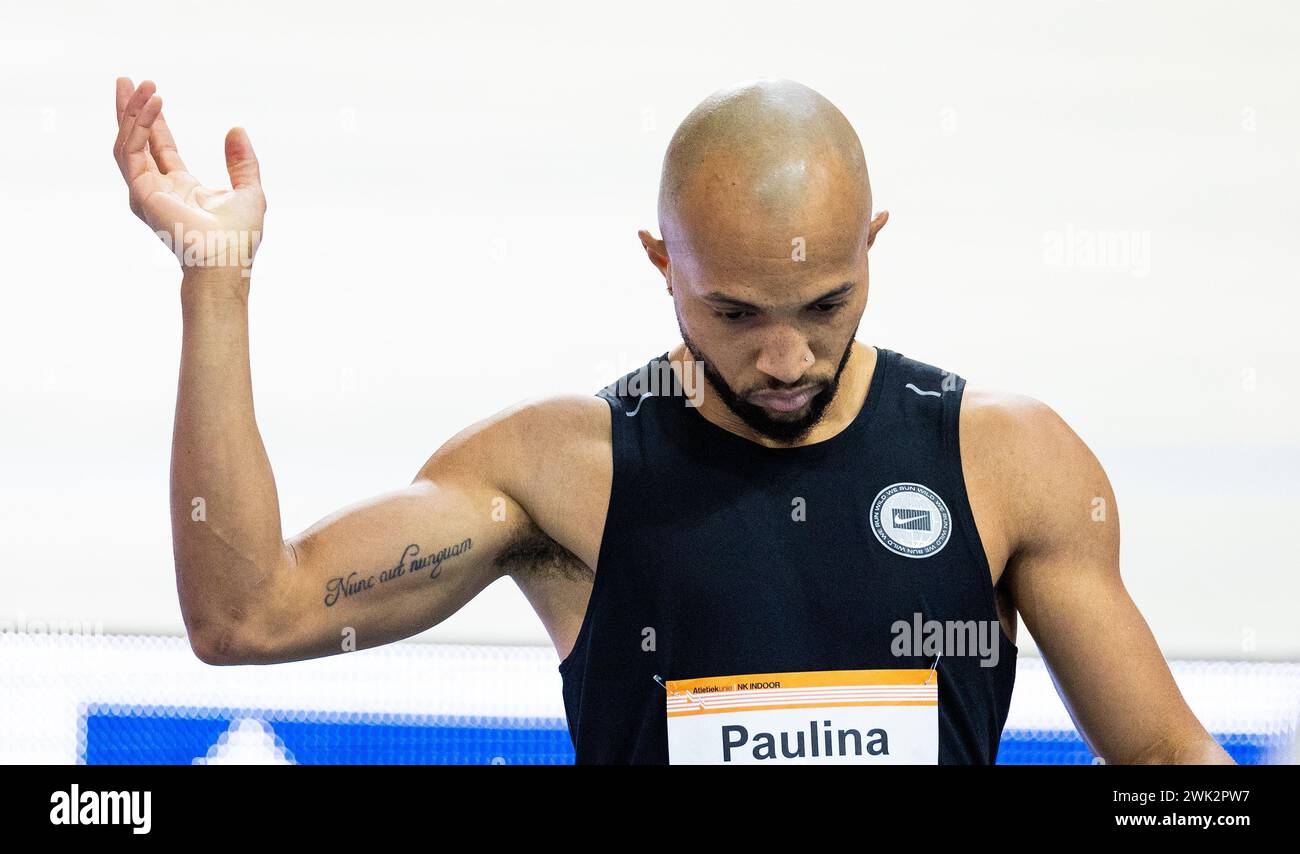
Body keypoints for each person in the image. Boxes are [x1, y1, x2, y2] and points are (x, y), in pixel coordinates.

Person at [112, 74, 1232, 764]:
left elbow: (1168, 763)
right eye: (734, 312)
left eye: (826, 305)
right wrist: (215, 278)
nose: (785, 359)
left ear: (872, 244)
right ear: (661, 263)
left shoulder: (1003, 459)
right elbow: (246, 615)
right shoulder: (561, 475)